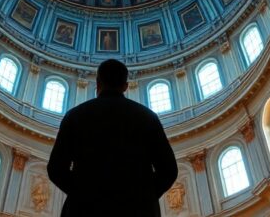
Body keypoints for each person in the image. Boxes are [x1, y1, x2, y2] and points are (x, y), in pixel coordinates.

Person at [48, 59, 178, 217]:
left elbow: (55, 169)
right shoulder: (147, 117)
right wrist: (143, 196)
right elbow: (169, 170)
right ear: (125, 86)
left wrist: (83, 193)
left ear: (97, 83)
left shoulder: (75, 115)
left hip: (84, 210)